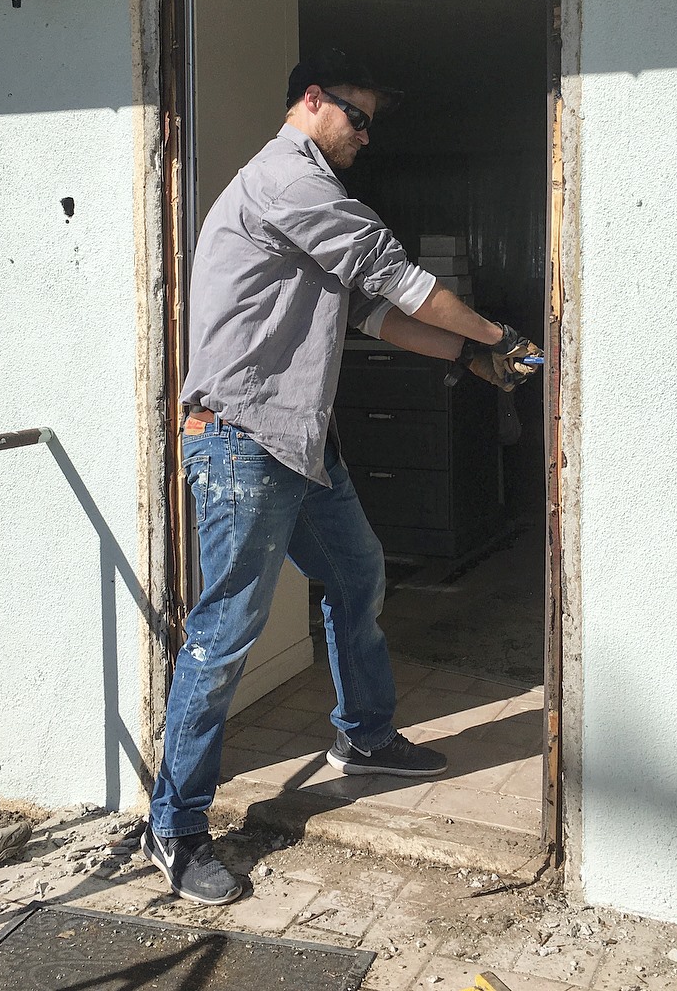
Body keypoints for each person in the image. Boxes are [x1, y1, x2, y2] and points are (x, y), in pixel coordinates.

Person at [142, 48, 542, 905]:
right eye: (356, 116)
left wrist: (468, 362)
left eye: (370, 123)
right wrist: (492, 334)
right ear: (312, 102)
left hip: (300, 442)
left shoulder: (303, 199)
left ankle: (363, 735)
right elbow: (396, 278)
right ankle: (174, 826)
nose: (366, 134)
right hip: (244, 440)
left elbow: (371, 312)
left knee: (354, 575)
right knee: (225, 635)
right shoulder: (292, 182)